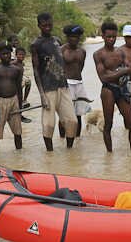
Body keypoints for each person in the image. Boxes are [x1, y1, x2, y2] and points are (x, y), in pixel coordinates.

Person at [30, 12, 78, 151]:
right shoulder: (36, 44)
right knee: (48, 125)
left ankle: (69, 151)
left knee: (72, 121)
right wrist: (42, 95)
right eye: (44, 25)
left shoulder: (57, 40)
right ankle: (49, 154)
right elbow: (35, 70)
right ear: (39, 25)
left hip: (63, 86)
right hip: (48, 88)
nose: (47, 27)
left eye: (49, 24)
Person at [92, 21, 131, 151]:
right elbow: (103, 78)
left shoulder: (120, 52)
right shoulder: (98, 54)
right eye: (108, 37)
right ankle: (109, 154)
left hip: (122, 89)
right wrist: (122, 71)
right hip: (108, 90)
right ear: (103, 36)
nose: (111, 39)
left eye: (113, 36)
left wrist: (119, 73)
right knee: (109, 124)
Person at [60, 24, 92, 138]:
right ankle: (62, 139)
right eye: (72, 36)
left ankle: (77, 139)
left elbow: (80, 67)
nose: (75, 39)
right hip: (66, 84)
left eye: (77, 36)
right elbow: (57, 69)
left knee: (78, 114)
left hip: (79, 84)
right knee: (65, 115)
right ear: (67, 37)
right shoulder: (62, 50)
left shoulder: (82, 51)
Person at [11, 46, 32, 123]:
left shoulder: (22, 64)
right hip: (14, 87)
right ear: (16, 55)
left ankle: (20, 116)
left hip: (19, 86)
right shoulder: (13, 64)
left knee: (20, 102)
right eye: (19, 55)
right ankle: (14, 117)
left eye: (23, 55)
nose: (21, 56)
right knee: (15, 103)